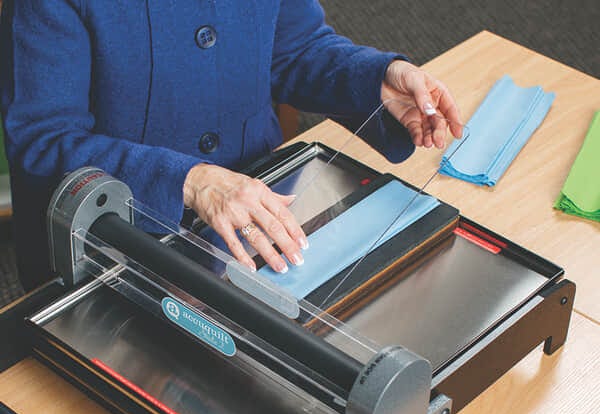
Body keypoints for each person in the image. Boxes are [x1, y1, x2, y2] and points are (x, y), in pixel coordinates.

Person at [0, 0, 461, 291]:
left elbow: (294, 49)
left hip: (262, 213)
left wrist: (375, 81)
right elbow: (44, 141)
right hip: (118, 252)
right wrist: (191, 181)